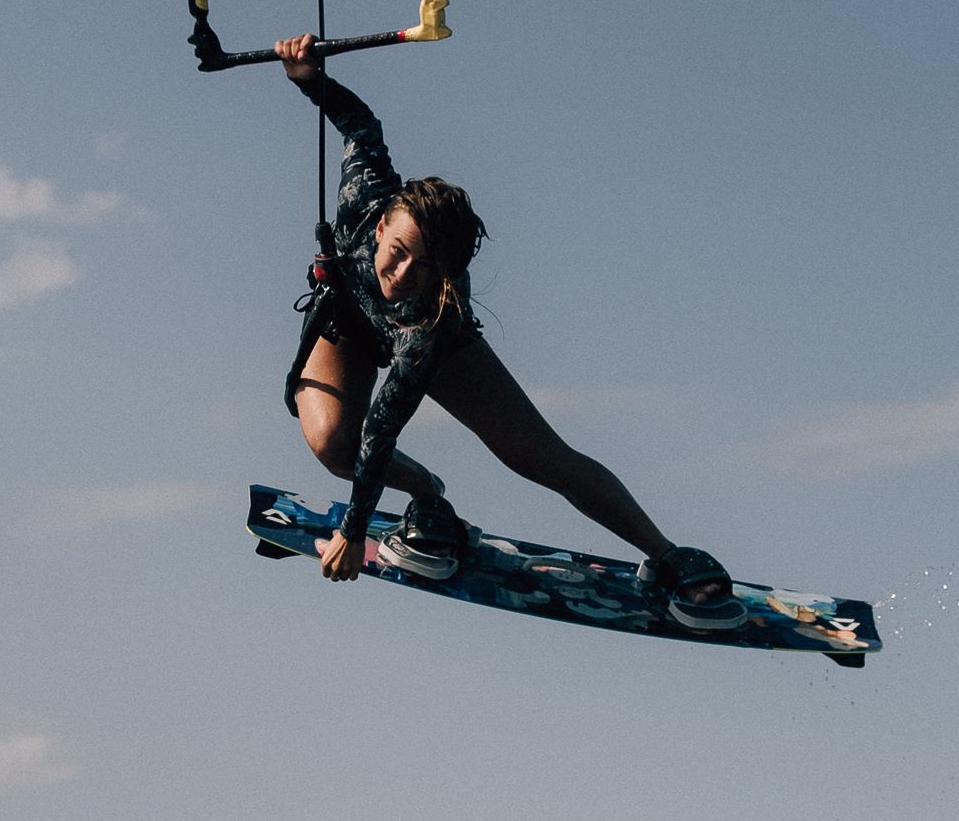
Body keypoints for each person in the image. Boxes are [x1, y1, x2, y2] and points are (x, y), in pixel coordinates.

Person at [272, 34, 740, 628]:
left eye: (426, 267)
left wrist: (353, 531)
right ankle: (431, 501)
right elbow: (361, 125)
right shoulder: (369, 191)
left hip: (434, 345)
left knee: (539, 457)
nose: (402, 273)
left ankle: (671, 557)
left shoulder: (430, 321)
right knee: (331, 446)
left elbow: (383, 430)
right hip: (349, 318)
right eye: (398, 251)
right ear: (387, 220)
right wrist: (310, 79)